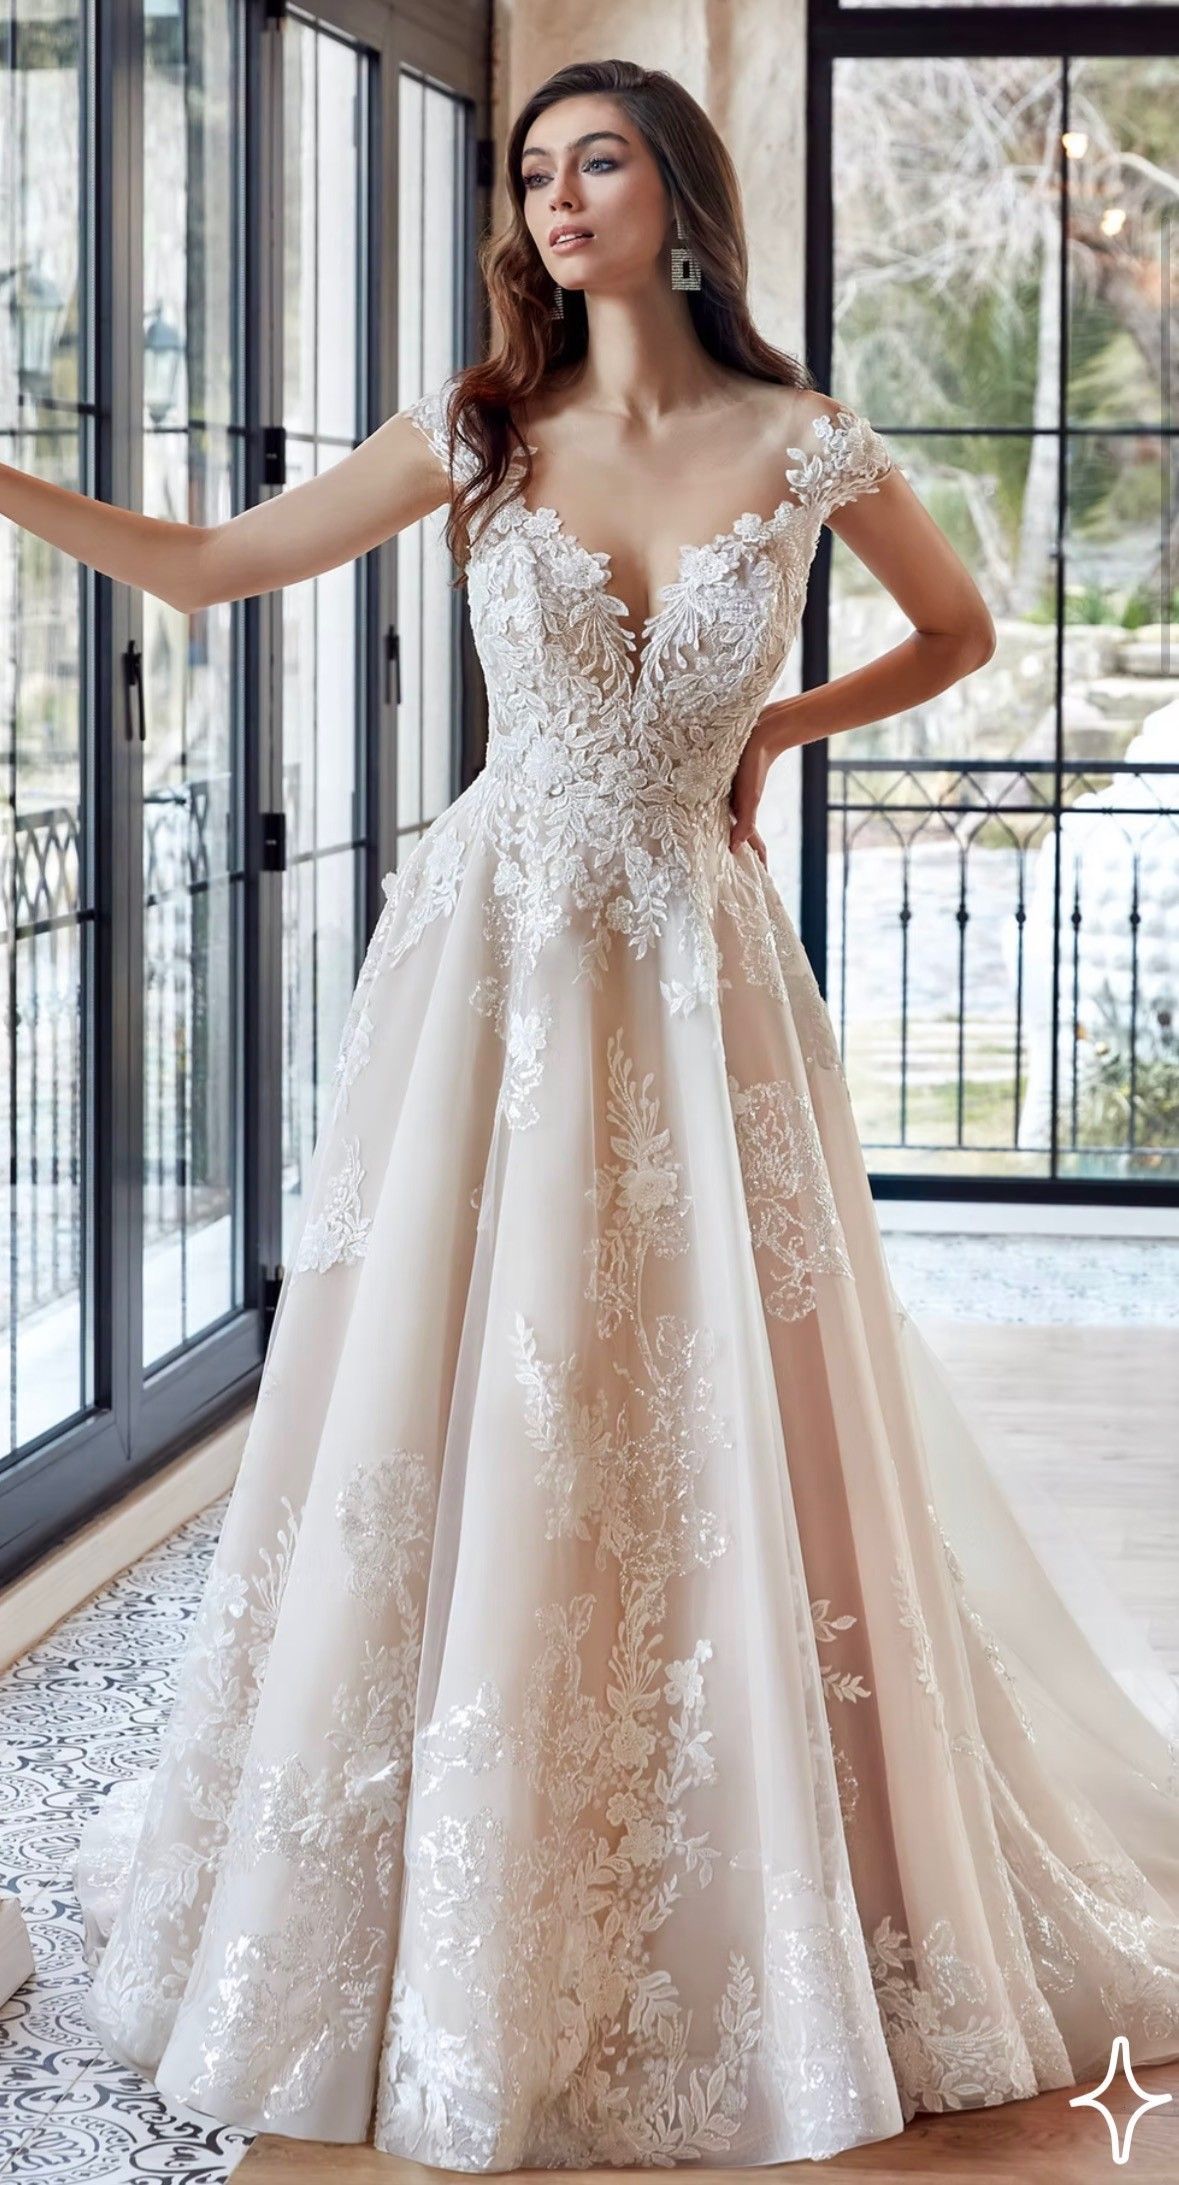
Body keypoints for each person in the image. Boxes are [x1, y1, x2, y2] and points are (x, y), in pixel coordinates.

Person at [6, 51, 1177, 2175]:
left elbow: (962, 630)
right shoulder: (476, 436)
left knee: (729, 1400)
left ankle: (760, 1866)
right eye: (531, 170)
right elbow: (202, 572)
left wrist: (777, 728)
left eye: (597, 159)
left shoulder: (801, 437)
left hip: (696, 969)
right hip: (494, 967)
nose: (557, 200)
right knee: (471, 1396)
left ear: (677, 191)